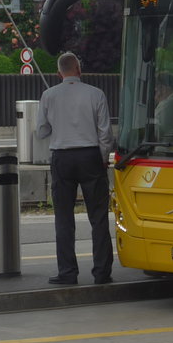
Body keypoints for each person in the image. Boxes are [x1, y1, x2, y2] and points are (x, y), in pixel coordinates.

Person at [35, 51, 115, 286]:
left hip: (62, 158)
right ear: (79, 69)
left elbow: (41, 130)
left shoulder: (48, 95)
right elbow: (105, 133)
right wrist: (103, 158)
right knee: (98, 216)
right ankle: (101, 272)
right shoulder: (96, 94)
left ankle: (67, 272)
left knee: (63, 218)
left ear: (58, 73)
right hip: (90, 156)